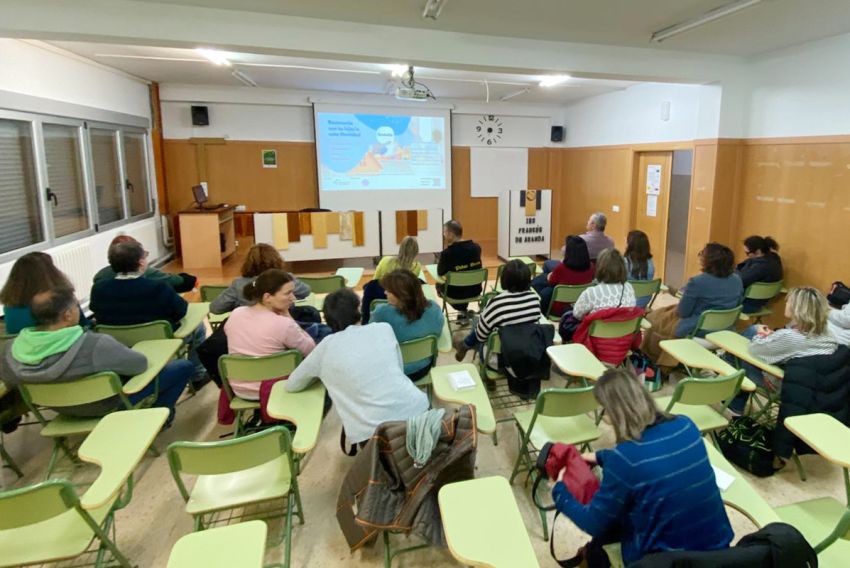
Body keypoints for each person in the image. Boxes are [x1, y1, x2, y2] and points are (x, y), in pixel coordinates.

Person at [552, 368, 733, 567]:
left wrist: (560, 493)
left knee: (614, 523)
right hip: (718, 552)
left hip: (668, 561)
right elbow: (655, 456)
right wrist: (602, 456)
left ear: (613, 412)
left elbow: (593, 523)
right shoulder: (686, 425)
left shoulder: (626, 459)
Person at [0, 287, 191, 425]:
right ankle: (158, 421)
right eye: (76, 307)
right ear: (67, 315)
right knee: (182, 367)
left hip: (56, 408)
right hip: (106, 406)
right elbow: (139, 365)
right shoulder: (94, 344)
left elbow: (11, 384)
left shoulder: (10, 350)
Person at [285, 288, 428, 445]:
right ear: (358, 309)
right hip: (419, 410)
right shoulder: (383, 329)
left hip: (373, 433)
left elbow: (292, 384)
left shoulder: (325, 348)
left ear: (327, 318)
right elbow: (398, 370)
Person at [90, 240, 208, 387]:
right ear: (141, 263)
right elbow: (181, 311)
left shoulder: (99, 289)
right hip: (160, 341)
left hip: (118, 343)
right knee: (199, 328)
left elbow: (96, 312)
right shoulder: (157, 288)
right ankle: (198, 376)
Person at [729, 287, 839, 413]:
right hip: (813, 389)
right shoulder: (828, 334)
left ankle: (734, 402)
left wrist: (761, 334)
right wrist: (773, 337)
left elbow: (755, 350)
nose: (786, 304)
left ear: (797, 308)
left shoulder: (790, 337)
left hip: (783, 386)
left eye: (788, 301)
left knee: (745, 351)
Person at [642, 243, 742, 363]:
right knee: (661, 316)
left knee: (653, 320)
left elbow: (683, 312)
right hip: (725, 329)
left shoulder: (698, 282)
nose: (700, 257)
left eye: (702, 254)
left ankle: (654, 360)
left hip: (698, 329)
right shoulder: (737, 280)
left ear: (709, 261)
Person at [223, 269, 316, 400]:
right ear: (267, 297)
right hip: (275, 389)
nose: (293, 297)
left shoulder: (236, 314)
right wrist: (288, 316)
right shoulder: (284, 324)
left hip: (239, 389)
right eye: (288, 293)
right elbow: (311, 351)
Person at [453, 259, 541, 361]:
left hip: (499, 360)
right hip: (529, 354)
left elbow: (481, 337)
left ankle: (465, 345)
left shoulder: (496, 303)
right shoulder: (535, 299)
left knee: (478, 323)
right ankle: (465, 345)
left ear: (504, 279)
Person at [371, 270, 444, 381]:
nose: (385, 292)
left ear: (401, 296)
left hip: (393, 371)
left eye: (389, 291)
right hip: (423, 367)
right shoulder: (434, 309)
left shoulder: (381, 313)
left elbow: (370, 339)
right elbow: (438, 333)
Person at [1, 252, 90, 335]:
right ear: (51, 272)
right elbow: (83, 325)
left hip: (21, 348)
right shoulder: (58, 300)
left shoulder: (9, 306)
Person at [210, 243, 311, 314]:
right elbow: (306, 291)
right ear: (276, 260)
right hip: (284, 324)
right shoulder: (286, 278)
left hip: (250, 330)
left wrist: (238, 306)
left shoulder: (239, 284)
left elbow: (216, 308)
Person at [93, 235, 196, 292]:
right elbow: (180, 309)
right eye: (144, 255)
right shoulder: (155, 286)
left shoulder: (99, 281)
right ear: (140, 261)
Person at [532, 235, 594, 316]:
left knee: (541, 282)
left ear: (569, 251)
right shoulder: (591, 267)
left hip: (559, 309)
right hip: (579, 305)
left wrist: (549, 276)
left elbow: (551, 281)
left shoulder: (561, 268)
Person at [436, 220, 482, 319]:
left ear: (451, 234)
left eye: (445, 232)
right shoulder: (476, 248)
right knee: (464, 281)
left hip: (455, 295)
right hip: (475, 291)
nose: (444, 235)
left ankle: (462, 310)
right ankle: (463, 311)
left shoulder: (447, 254)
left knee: (439, 284)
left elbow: (440, 272)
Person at [572, 249, 636, 320]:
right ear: (623, 267)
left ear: (599, 268)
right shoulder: (629, 287)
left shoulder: (591, 292)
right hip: (625, 330)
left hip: (597, 331)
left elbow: (577, 314)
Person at [735, 235, 783, 313]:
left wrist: (733, 271)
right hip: (759, 303)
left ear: (758, 251)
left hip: (747, 304)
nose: (747, 255)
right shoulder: (773, 259)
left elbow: (739, 280)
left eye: (747, 253)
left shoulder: (762, 266)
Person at [623, 230, 655, 309]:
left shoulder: (624, 262)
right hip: (644, 302)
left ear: (630, 245)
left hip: (626, 303)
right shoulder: (650, 263)